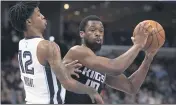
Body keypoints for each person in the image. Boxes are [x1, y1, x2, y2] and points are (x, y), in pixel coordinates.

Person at [8, 2, 104, 104]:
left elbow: (39, 72)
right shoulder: (49, 46)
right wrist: (91, 91)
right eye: (38, 14)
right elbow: (67, 83)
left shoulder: (22, 44)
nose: (43, 16)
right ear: (29, 21)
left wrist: (62, 68)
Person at [63, 15, 158, 104]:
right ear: (82, 34)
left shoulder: (100, 65)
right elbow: (116, 68)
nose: (98, 34)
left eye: (101, 31)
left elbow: (131, 87)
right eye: (92, 30)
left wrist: (147, 59)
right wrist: (138, 45)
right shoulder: (77, 51)